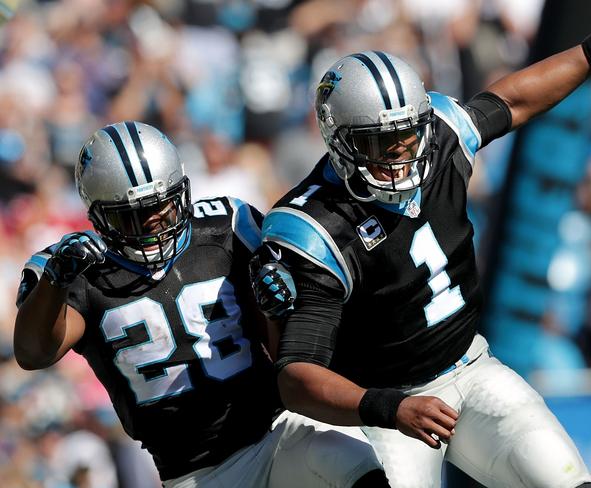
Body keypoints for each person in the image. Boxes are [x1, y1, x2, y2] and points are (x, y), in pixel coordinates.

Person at [252, 2, 591, 487]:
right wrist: (388, 406)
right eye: (381, 144)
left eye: (407, 136)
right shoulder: (316, 225)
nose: (401, 155)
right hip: (383, 406)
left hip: (473, 367)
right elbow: (297, 377)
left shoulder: (439, 135)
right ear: (340, 142)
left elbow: (516, 100)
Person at [13, 121, 389, 488]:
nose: (156, 221)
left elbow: (285, 352)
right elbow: (32, 353)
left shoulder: (227, 226)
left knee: (356, 464)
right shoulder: (77, 267)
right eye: (135, 215)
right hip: (195, 472)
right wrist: (55, 282)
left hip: (277, 430)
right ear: (98, 216)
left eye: (162, 204)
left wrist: (276, 309)